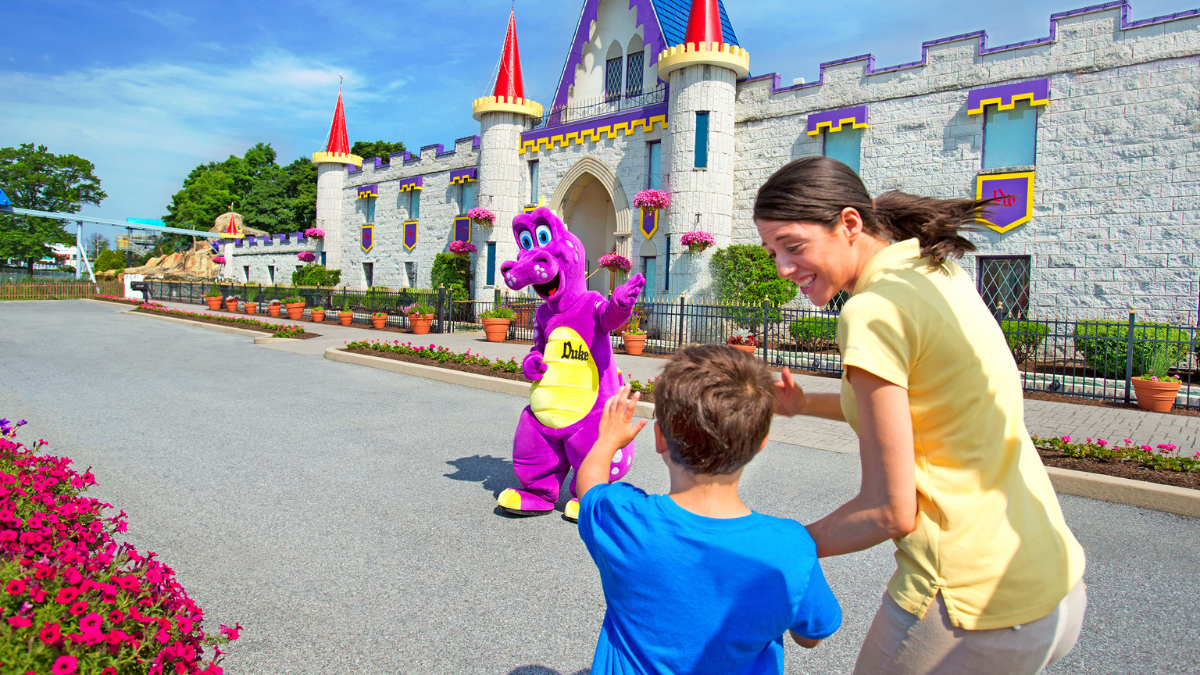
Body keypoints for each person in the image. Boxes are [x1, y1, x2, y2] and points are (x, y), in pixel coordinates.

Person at [755, 156, 1087, 674]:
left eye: (794, 247)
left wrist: (773, 548)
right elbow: (928, 400)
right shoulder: (934, 270)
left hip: (968, 600)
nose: (783, 268)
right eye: (772, 251)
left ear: (849, 224)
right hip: (1051, 582)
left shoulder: (872, 310)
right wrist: (804, 405)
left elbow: (890, 510)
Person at [575, 346, 842, 675]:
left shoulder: (624, 520)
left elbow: (589, 485)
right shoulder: (792, 548)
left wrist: (607, 440)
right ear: (760, 443)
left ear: (660, 438)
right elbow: (811, 635)